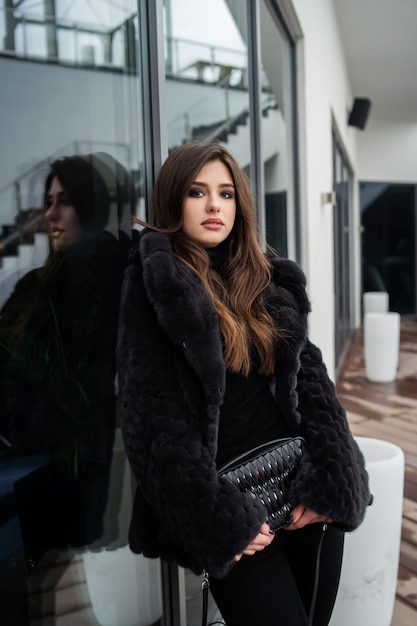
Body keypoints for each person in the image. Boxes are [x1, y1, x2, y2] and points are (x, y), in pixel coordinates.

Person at [116, 143, 371, 626]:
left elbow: (315, 390)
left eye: (226, 193)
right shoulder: (155, 282)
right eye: (198, 192)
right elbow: (151, 423)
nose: (215, 206)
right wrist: (219, 520)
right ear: (175, 200)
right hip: (238, 518)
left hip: (305, 498)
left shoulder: (267, 279)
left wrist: (330, 480)